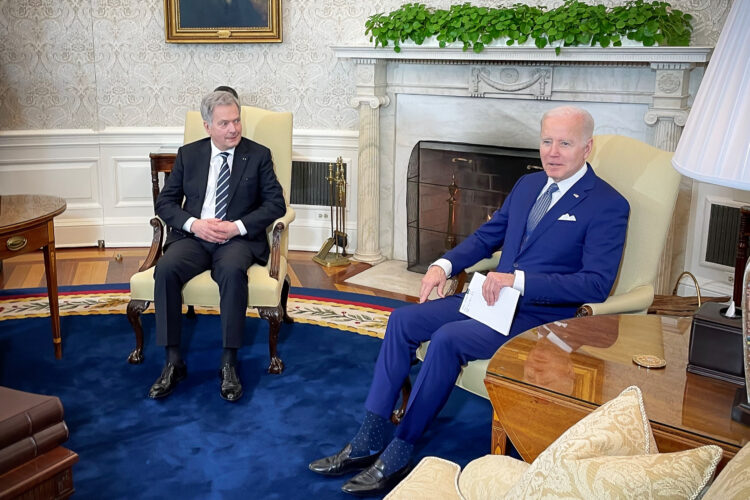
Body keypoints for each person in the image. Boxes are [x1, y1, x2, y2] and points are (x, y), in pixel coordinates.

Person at [308, 106, 630, 496]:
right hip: (492, 298)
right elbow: (486, 237)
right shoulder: (529, 186)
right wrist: (443, 265)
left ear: (587, 147)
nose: (553, 151)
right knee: (402, 321)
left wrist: (519, 281)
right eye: (547, 141)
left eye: (565, 142)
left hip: (541, 318)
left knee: (448, 339)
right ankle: (369, 437)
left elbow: (595, 285)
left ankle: (400, 448)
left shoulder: (608, 204)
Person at [148, 90, 286, 402]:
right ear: (208, 125)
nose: (233, 129)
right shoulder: (189, 154)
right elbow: (166, 202)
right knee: (166, 269)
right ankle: (173, 362)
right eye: (224, 123)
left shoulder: (259, 154)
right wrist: (194, 224)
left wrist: (235, 226)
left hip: (236, 239)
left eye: (236, 121)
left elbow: (275, 203)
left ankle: (229, 362)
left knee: (232, 271)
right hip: (195, 237)